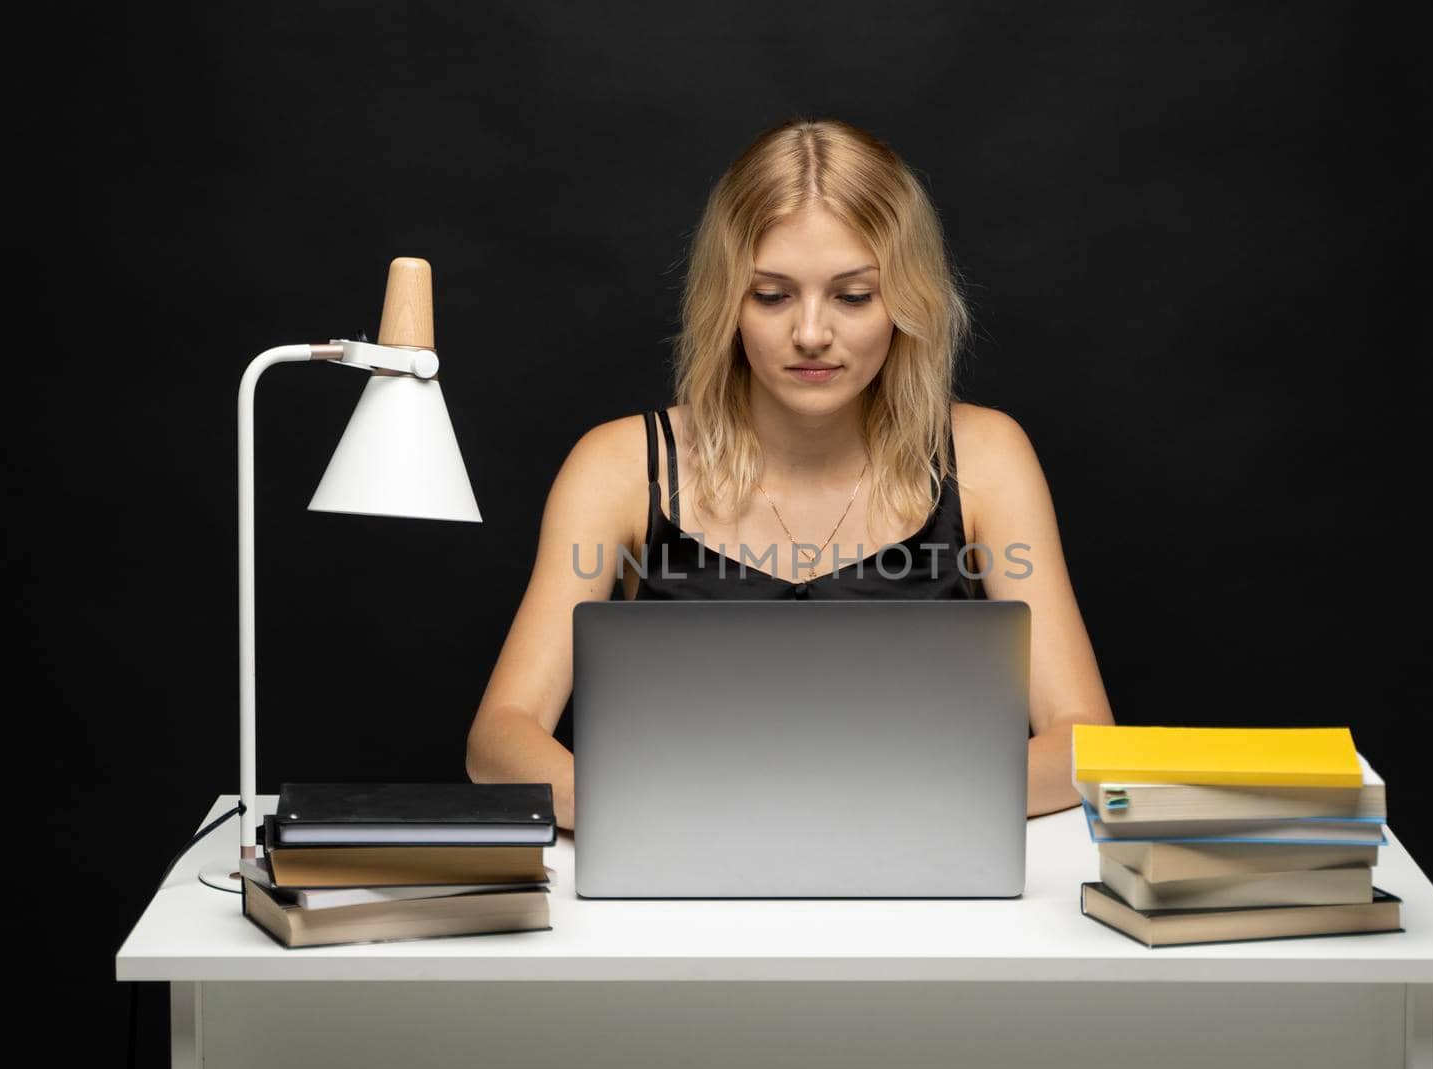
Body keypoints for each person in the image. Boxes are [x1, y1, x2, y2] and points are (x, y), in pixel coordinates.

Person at [466, 117, 1113, 832]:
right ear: (726, 302)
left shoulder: (987, 456)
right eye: (771, 295)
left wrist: (885, 806)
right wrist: (651, 812)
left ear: (907, 298)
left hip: (920, 878)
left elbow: (1087, 739)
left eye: (854, 295)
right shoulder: (618, 467)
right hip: (674, 878)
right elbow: (500, 738)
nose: (810, 332)